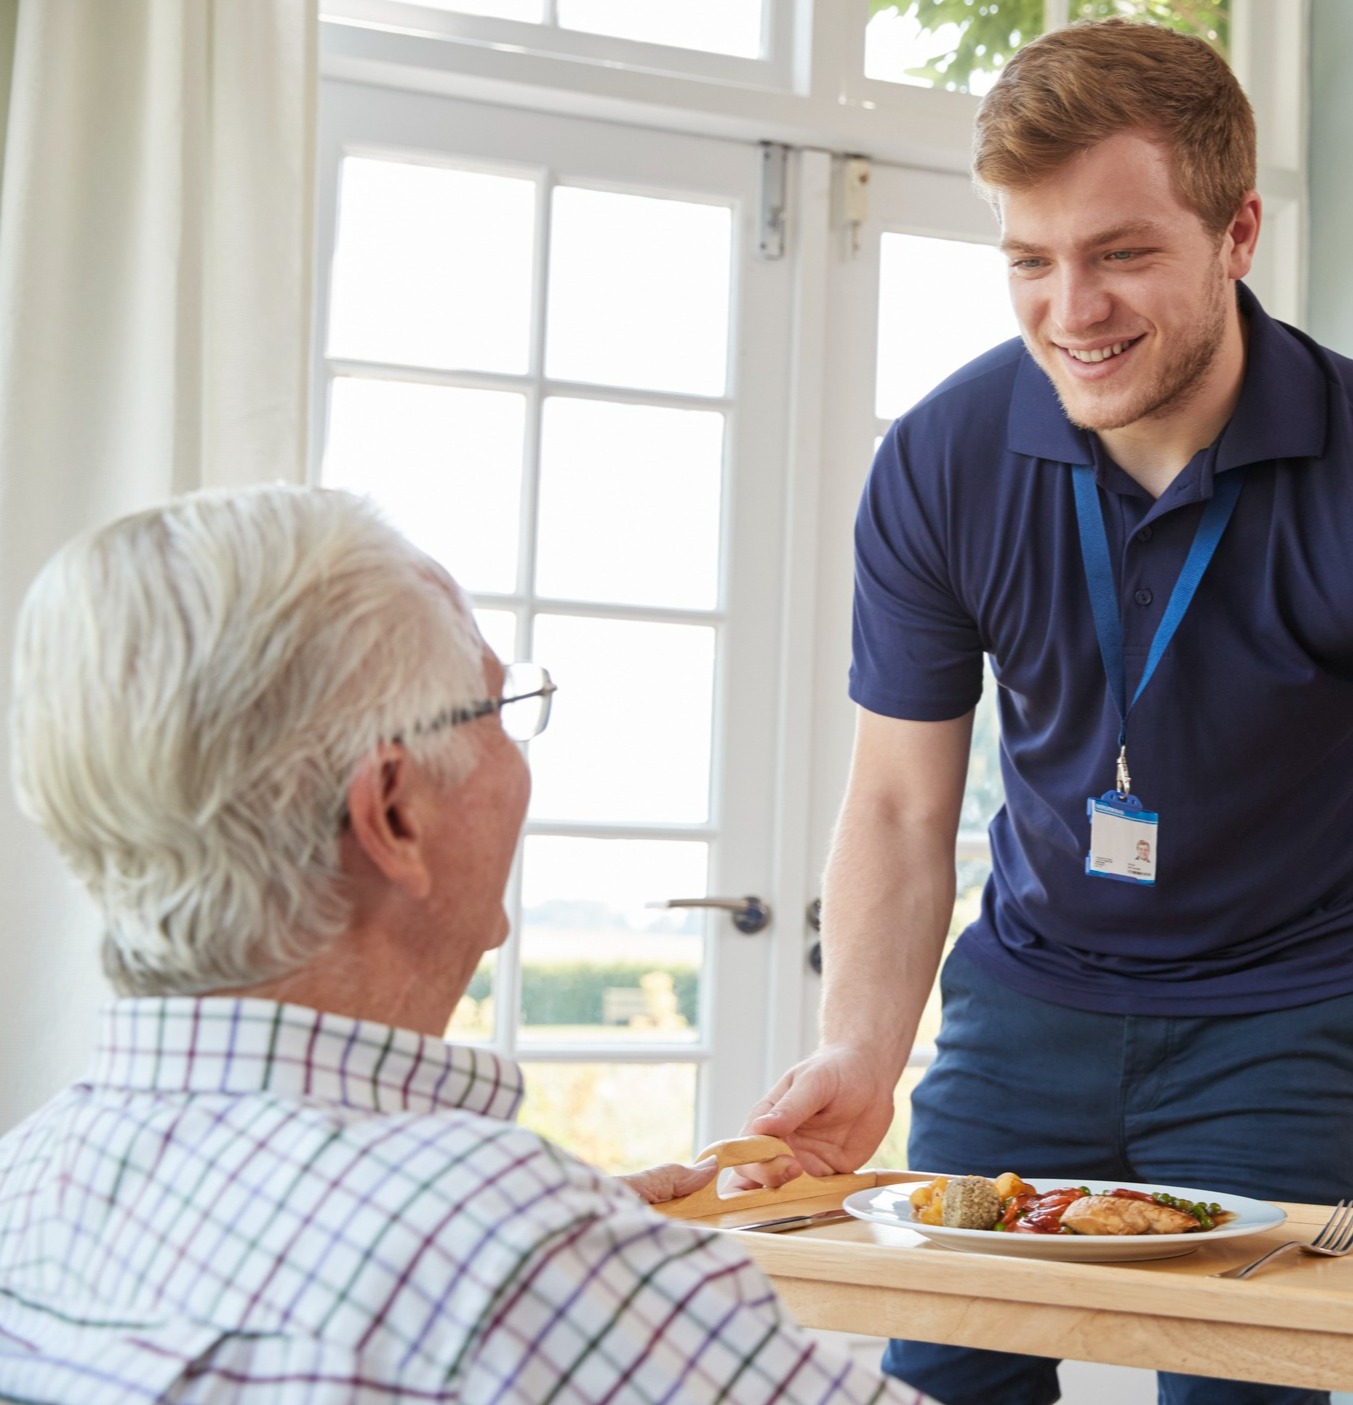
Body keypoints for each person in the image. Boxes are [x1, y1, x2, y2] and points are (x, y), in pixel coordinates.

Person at [0, 485, 939, 1405]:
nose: (518, 755)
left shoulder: (27, 1176)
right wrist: (583, 1268)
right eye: (494, 708)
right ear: (394, 812)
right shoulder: (506, 1253)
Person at [739, 17, 1353, 1405]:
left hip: (1288, 1012)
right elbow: (900, 801)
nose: (1070, 309)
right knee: (944, 1377)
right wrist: (857, 1050)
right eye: (1030, 261)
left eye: (1120, 253)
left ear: (1238, 230)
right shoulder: (943, 461)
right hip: (1028, 1003)